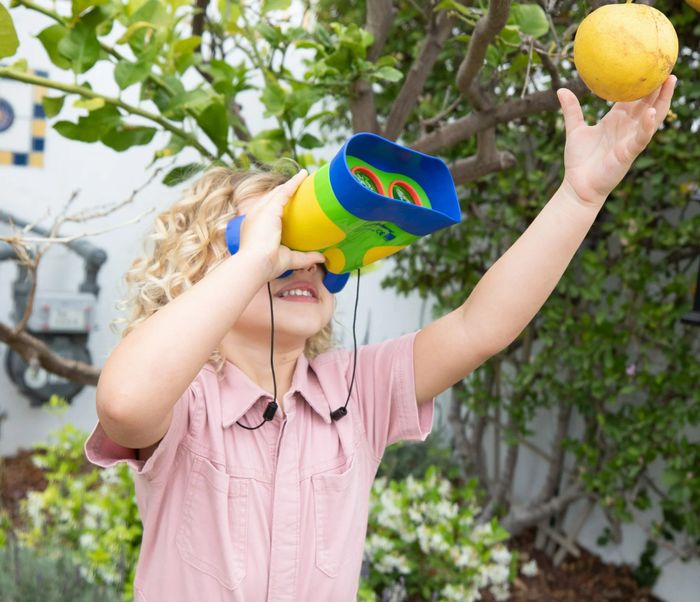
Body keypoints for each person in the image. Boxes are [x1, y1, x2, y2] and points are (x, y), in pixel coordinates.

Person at [85, 76, 676, 601]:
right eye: (276, 244)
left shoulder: (354, 393)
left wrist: (581, 194)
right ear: (199, 273)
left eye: (317, 250)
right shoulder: (187, 401)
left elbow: (480, 327)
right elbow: (124, 403)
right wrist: (254, 259)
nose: (303, 263)